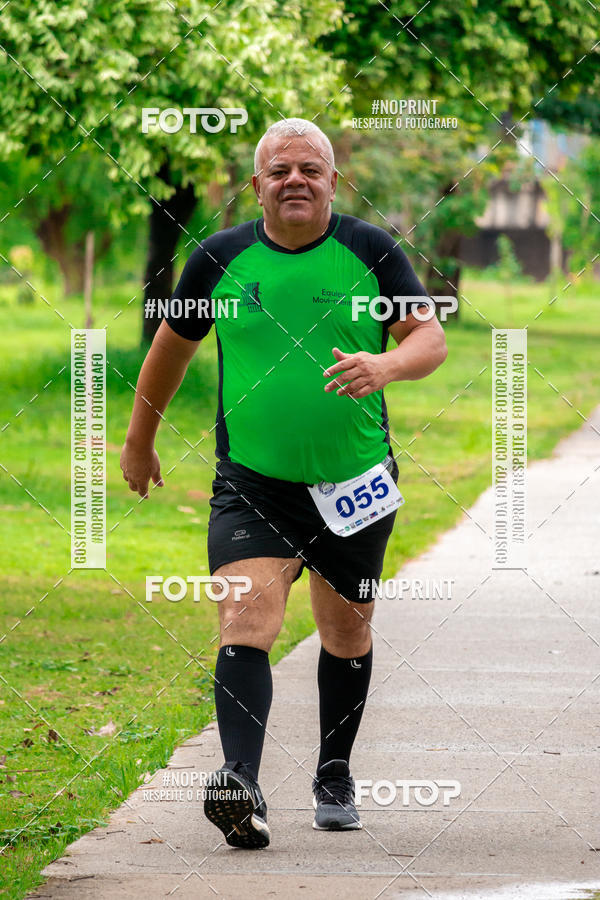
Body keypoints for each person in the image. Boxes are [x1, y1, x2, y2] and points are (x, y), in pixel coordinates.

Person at [120, 117, 448, 849]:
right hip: (252, 481)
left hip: (355, 482)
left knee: (345, 631)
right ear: (258, 186)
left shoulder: (371, 250)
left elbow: (430, 337)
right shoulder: (218, 257)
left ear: (333, 180)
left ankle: (334, 774)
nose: (295, 180)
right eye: (280, 171)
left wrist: (387, 365)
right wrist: (140, 440)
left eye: (310, 168)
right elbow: (170, 350)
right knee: (246, 622)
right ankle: (241, 782)